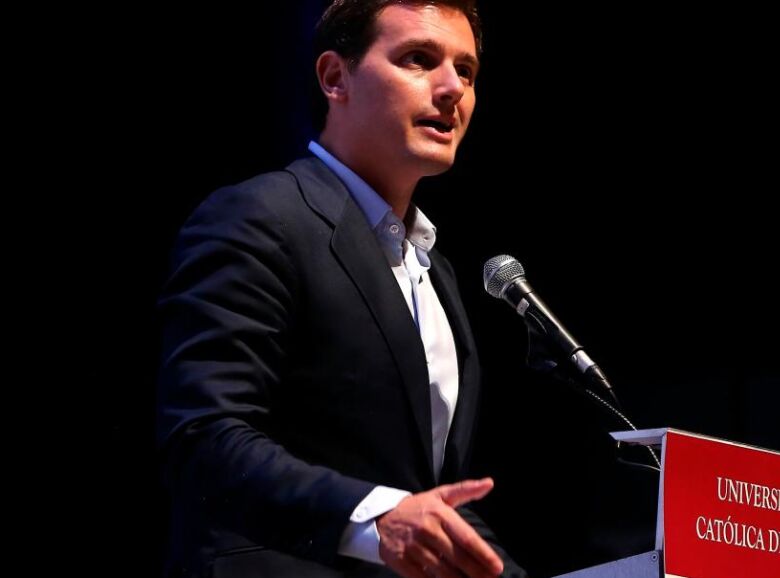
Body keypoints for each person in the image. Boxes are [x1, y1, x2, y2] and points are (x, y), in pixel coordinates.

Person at [156, 1, 526, 576]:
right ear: (335, 77)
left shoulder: (435, 269)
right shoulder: (259, 219)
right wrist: (376, 518)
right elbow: (202, 437)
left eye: (467, 70)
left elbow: (426, 502)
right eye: (418, 59)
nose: (453, 87)